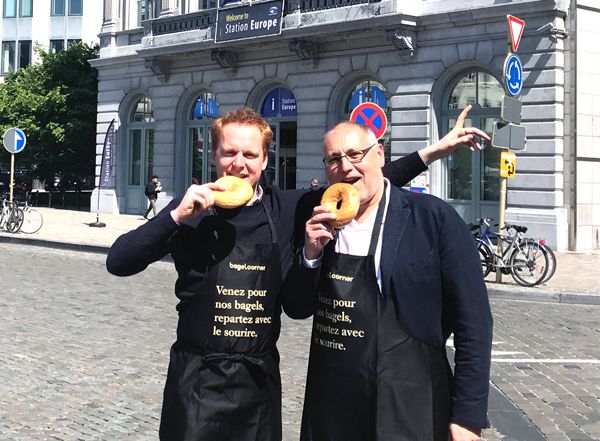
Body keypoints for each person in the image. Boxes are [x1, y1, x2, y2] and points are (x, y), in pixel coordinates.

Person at [106, 106, 486, 441]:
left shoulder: (286, 207)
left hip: (258, 385)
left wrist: (433, 152)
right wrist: (174, 217)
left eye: (249, 154)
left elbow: (358, 180)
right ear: (214, 155)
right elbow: (119, 261)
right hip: (197, 381)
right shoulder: (191, 209)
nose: (239, 163)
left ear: (264, 160)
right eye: (230, 152)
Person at [293, 119, 493, 441]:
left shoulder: (432, 219)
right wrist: (310, 255)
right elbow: (298, 307)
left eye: (356, 154)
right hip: (333, 406)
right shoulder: (316, 218)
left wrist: (468, 416)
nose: (346, 168)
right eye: (333, 159)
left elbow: (474, 320)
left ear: (380, 155)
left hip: (412, 403)